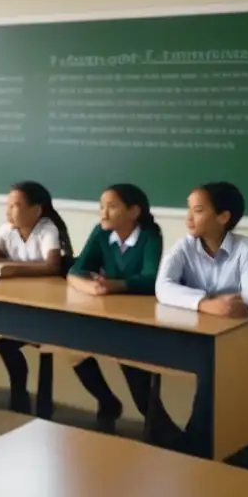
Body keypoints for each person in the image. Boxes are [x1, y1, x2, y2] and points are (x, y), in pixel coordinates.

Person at [155, 181, 248, 455]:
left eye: (197, 210)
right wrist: (206, 304)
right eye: (188, 209)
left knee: (214, 377)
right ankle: (177, 436)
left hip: (233, 337)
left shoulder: (246, 248)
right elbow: (163, 287)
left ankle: (199, 446)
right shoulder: (184, 246)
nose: (188, 218)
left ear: (223, 217)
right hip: (192, 330)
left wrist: (233, 307)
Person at [66, 184, 170, 435]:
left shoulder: (149, 236)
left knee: (131, 365)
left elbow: (150, 279)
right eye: (102, 206)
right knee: (72, 348)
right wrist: (91, 288)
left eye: (111, 207)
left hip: (139, 316)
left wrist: (114, 285)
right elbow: (77, 269)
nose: (103, 213)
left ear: (134, 211)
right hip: (106, 310)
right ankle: (107, 401)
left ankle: (160, 425)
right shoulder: (101, 233)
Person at [0, 181, 72, 415]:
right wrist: (19, 266)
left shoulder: (47, 228)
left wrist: (11, 267)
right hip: (17, 304)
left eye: (15, 205)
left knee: (12, 336)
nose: (8, 211)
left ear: (36, 210)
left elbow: (51, 266)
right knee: (1, 339)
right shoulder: (7, 229)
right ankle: (19, 390)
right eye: (7, 205)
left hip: (48, 309)